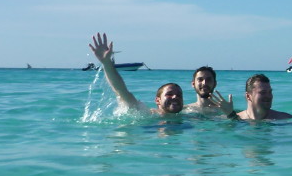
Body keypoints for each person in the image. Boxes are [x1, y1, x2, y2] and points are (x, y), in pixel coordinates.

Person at [89, 33, 233, 117]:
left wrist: (230, 115)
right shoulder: (150, 114)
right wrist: (107, 64)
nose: (175, 97)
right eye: (170, 94)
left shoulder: (187, 114)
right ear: (157, 100)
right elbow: (121, 91)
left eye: (178, 95)